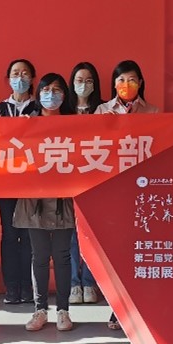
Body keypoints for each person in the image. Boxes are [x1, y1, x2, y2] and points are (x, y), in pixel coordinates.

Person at [96, 60, 160, 330]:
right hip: (112, 191)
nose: (126, 84)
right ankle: (117, 309)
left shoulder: (153, 112)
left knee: (139, 252)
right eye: (121, 80)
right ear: (113, 84)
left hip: (142, 191)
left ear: (141, 83)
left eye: (132, 79)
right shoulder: (102, 111)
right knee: (115, 253)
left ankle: (139, 309)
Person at [18, 74, 79, 332]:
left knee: (63, 255)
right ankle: (40, 309)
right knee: (40, 256)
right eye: (46, 89)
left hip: (64, 198)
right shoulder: (27, 122)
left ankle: (63, 310)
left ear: (65, 95)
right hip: (35, 200)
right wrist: (20, 129)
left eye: (57, 90)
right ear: (38, 93)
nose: (51, 95)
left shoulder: (74, 124)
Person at [0, 59, 39, 305]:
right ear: (8, 78)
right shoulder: (0, 109)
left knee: (30, 235)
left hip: (33, 182)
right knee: (10, 234)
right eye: (15, 73)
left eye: (25, 73)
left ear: (32, 78)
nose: (20, 78)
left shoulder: (40, 107)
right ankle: (11, 287)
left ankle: (29, 287)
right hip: (6, 181)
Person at [68, 62, 105, 305]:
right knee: (71, 235)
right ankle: (74, 283)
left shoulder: (104, 110)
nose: (84, 85)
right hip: (68, 179)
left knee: (93, 235)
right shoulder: (64, 110)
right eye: (79, 80)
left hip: (96, 179)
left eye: (89, 80)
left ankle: (90, 282)